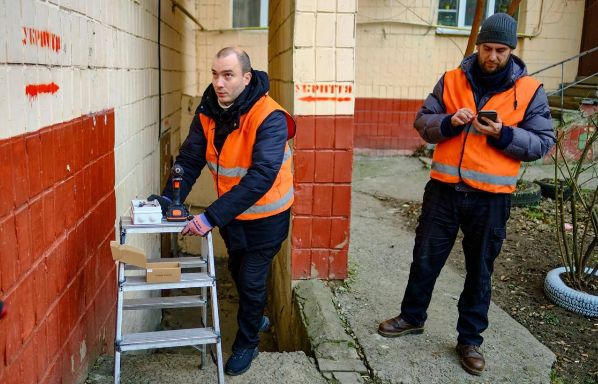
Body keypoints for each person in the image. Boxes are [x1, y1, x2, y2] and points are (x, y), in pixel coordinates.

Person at [377, 13, 555, 376]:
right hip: (443, 190)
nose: (492, 56)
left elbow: (542, 143)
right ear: (477, 47)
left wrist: (504, 134)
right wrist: (447, 123)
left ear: (511, 51)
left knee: (479, 271)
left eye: (500, 50)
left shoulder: (530, 91)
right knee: (425, 258)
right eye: (487, 48)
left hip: (491, 198)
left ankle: (470, 339)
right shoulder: (452, 79)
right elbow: (423, 121)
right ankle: (413, 317)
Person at [149, 47, 295, 376]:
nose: (219, 82)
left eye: (227, 75)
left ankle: (248, 342)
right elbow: (189, 159)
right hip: (234, 218)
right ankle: (254, 316)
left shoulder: (270, 117)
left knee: (252, 280)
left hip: (267, 218)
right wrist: (171, 199)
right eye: (215, 74)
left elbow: (261, 177)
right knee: (240, 273)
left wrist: (209, 217)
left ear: (246, 77)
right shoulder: (208, 111)